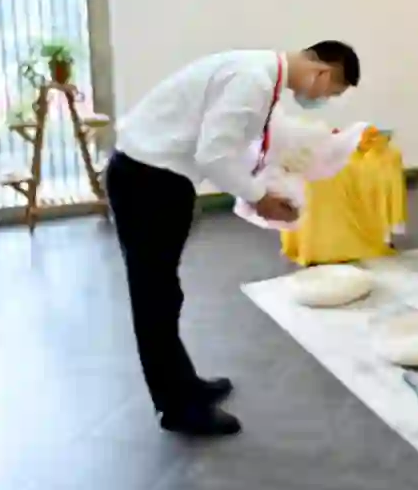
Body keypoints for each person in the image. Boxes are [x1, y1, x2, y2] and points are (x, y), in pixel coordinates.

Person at [106, 41, 360, 437]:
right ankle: (177, 408)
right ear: (323, 73)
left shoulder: (260, 75)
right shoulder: (253, 80)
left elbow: (232, 147)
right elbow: (214, 156)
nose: (322, 99)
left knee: (163, 293)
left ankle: (184, 385)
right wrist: (260, 199)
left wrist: (268, 182)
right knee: (155, 296)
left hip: (152, 175)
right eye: (331, 92)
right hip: (149, 181)